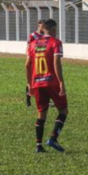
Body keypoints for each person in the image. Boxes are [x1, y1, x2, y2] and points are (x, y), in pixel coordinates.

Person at [25, 19, 68, 153]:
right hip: (52, 82)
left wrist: (29, 83)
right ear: (54, 30)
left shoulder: (32, 44)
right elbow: (56, 63)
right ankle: (53, 138)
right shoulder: (56, 42)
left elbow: (27, 65)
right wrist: (61, 82)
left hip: (37, 82)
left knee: (41, 113)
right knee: (63, 111)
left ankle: (38, 145)